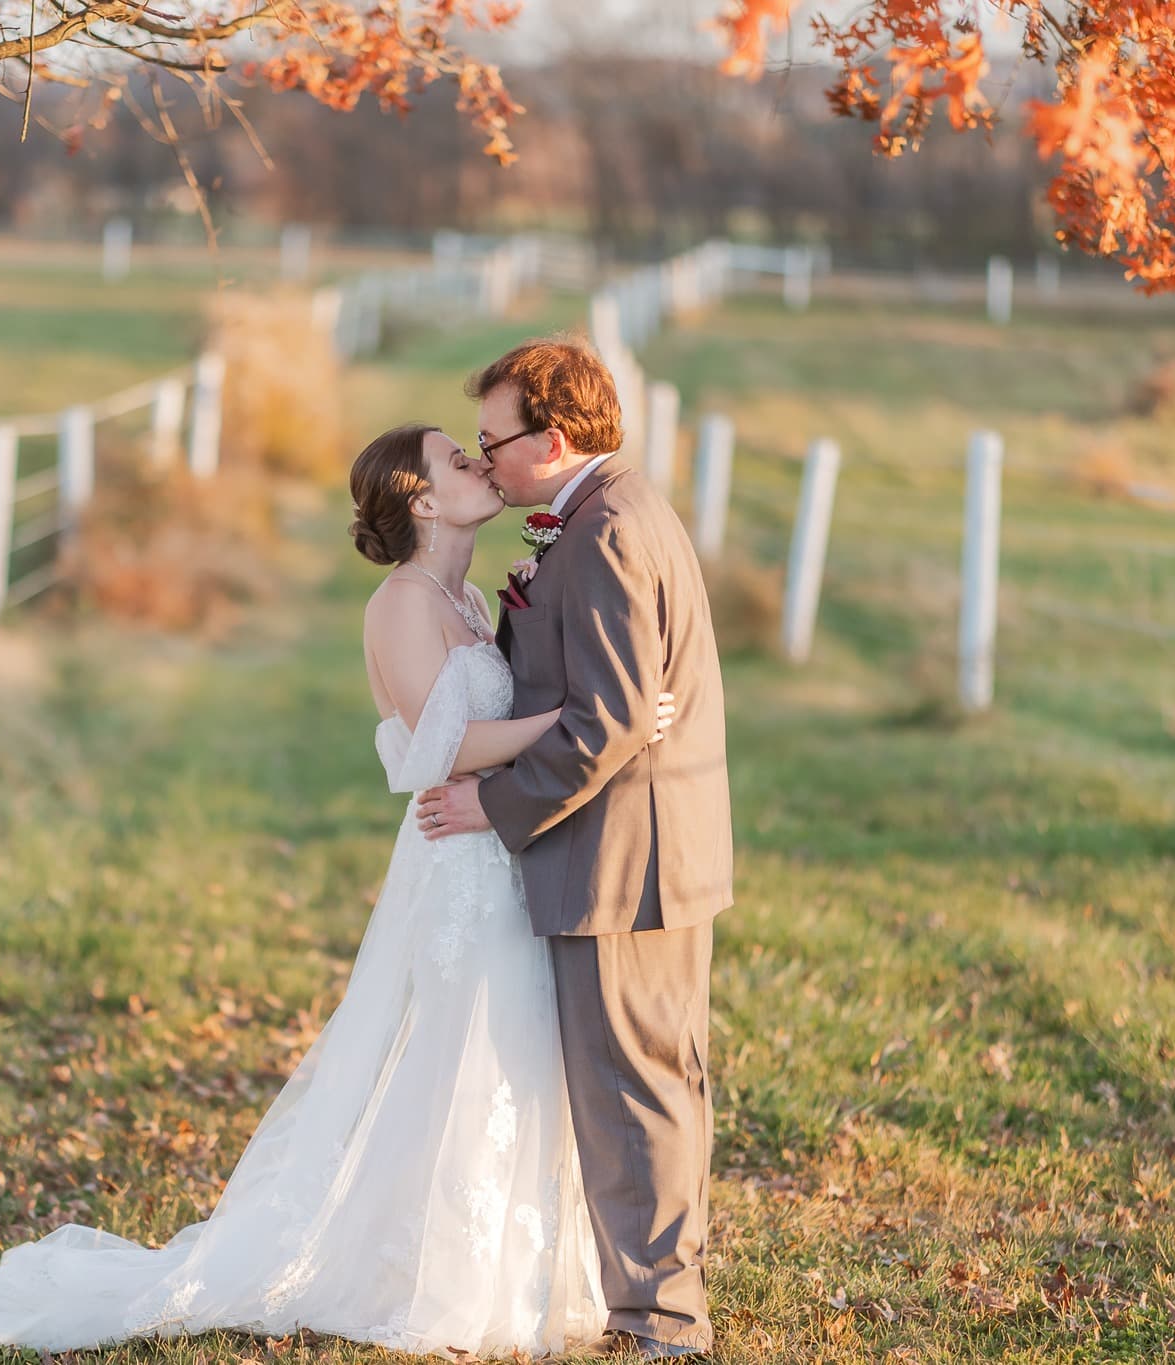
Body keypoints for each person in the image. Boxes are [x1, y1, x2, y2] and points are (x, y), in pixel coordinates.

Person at [0, 421, 676, 1358]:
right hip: (458, 868)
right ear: (421, 499)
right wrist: (590, 722)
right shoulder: (403, 603)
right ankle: (444, 1278)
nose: (481, 465)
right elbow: (442, 746)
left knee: (501, 1050)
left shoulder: (456, 598)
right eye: (460, 459)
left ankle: (500, 1267)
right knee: (461, 1051)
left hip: (491, 852)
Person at [418, 338, 734, 1359]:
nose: (485, 461)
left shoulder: (602, 535)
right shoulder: (604, 513)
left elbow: (605, 723)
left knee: (631, 1091)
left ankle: (659, 1322)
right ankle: (654, 1304)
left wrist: (493, 806)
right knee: (647, 1081)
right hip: (636, 852)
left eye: (493, 442)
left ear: (551, 441)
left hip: (622, 862)